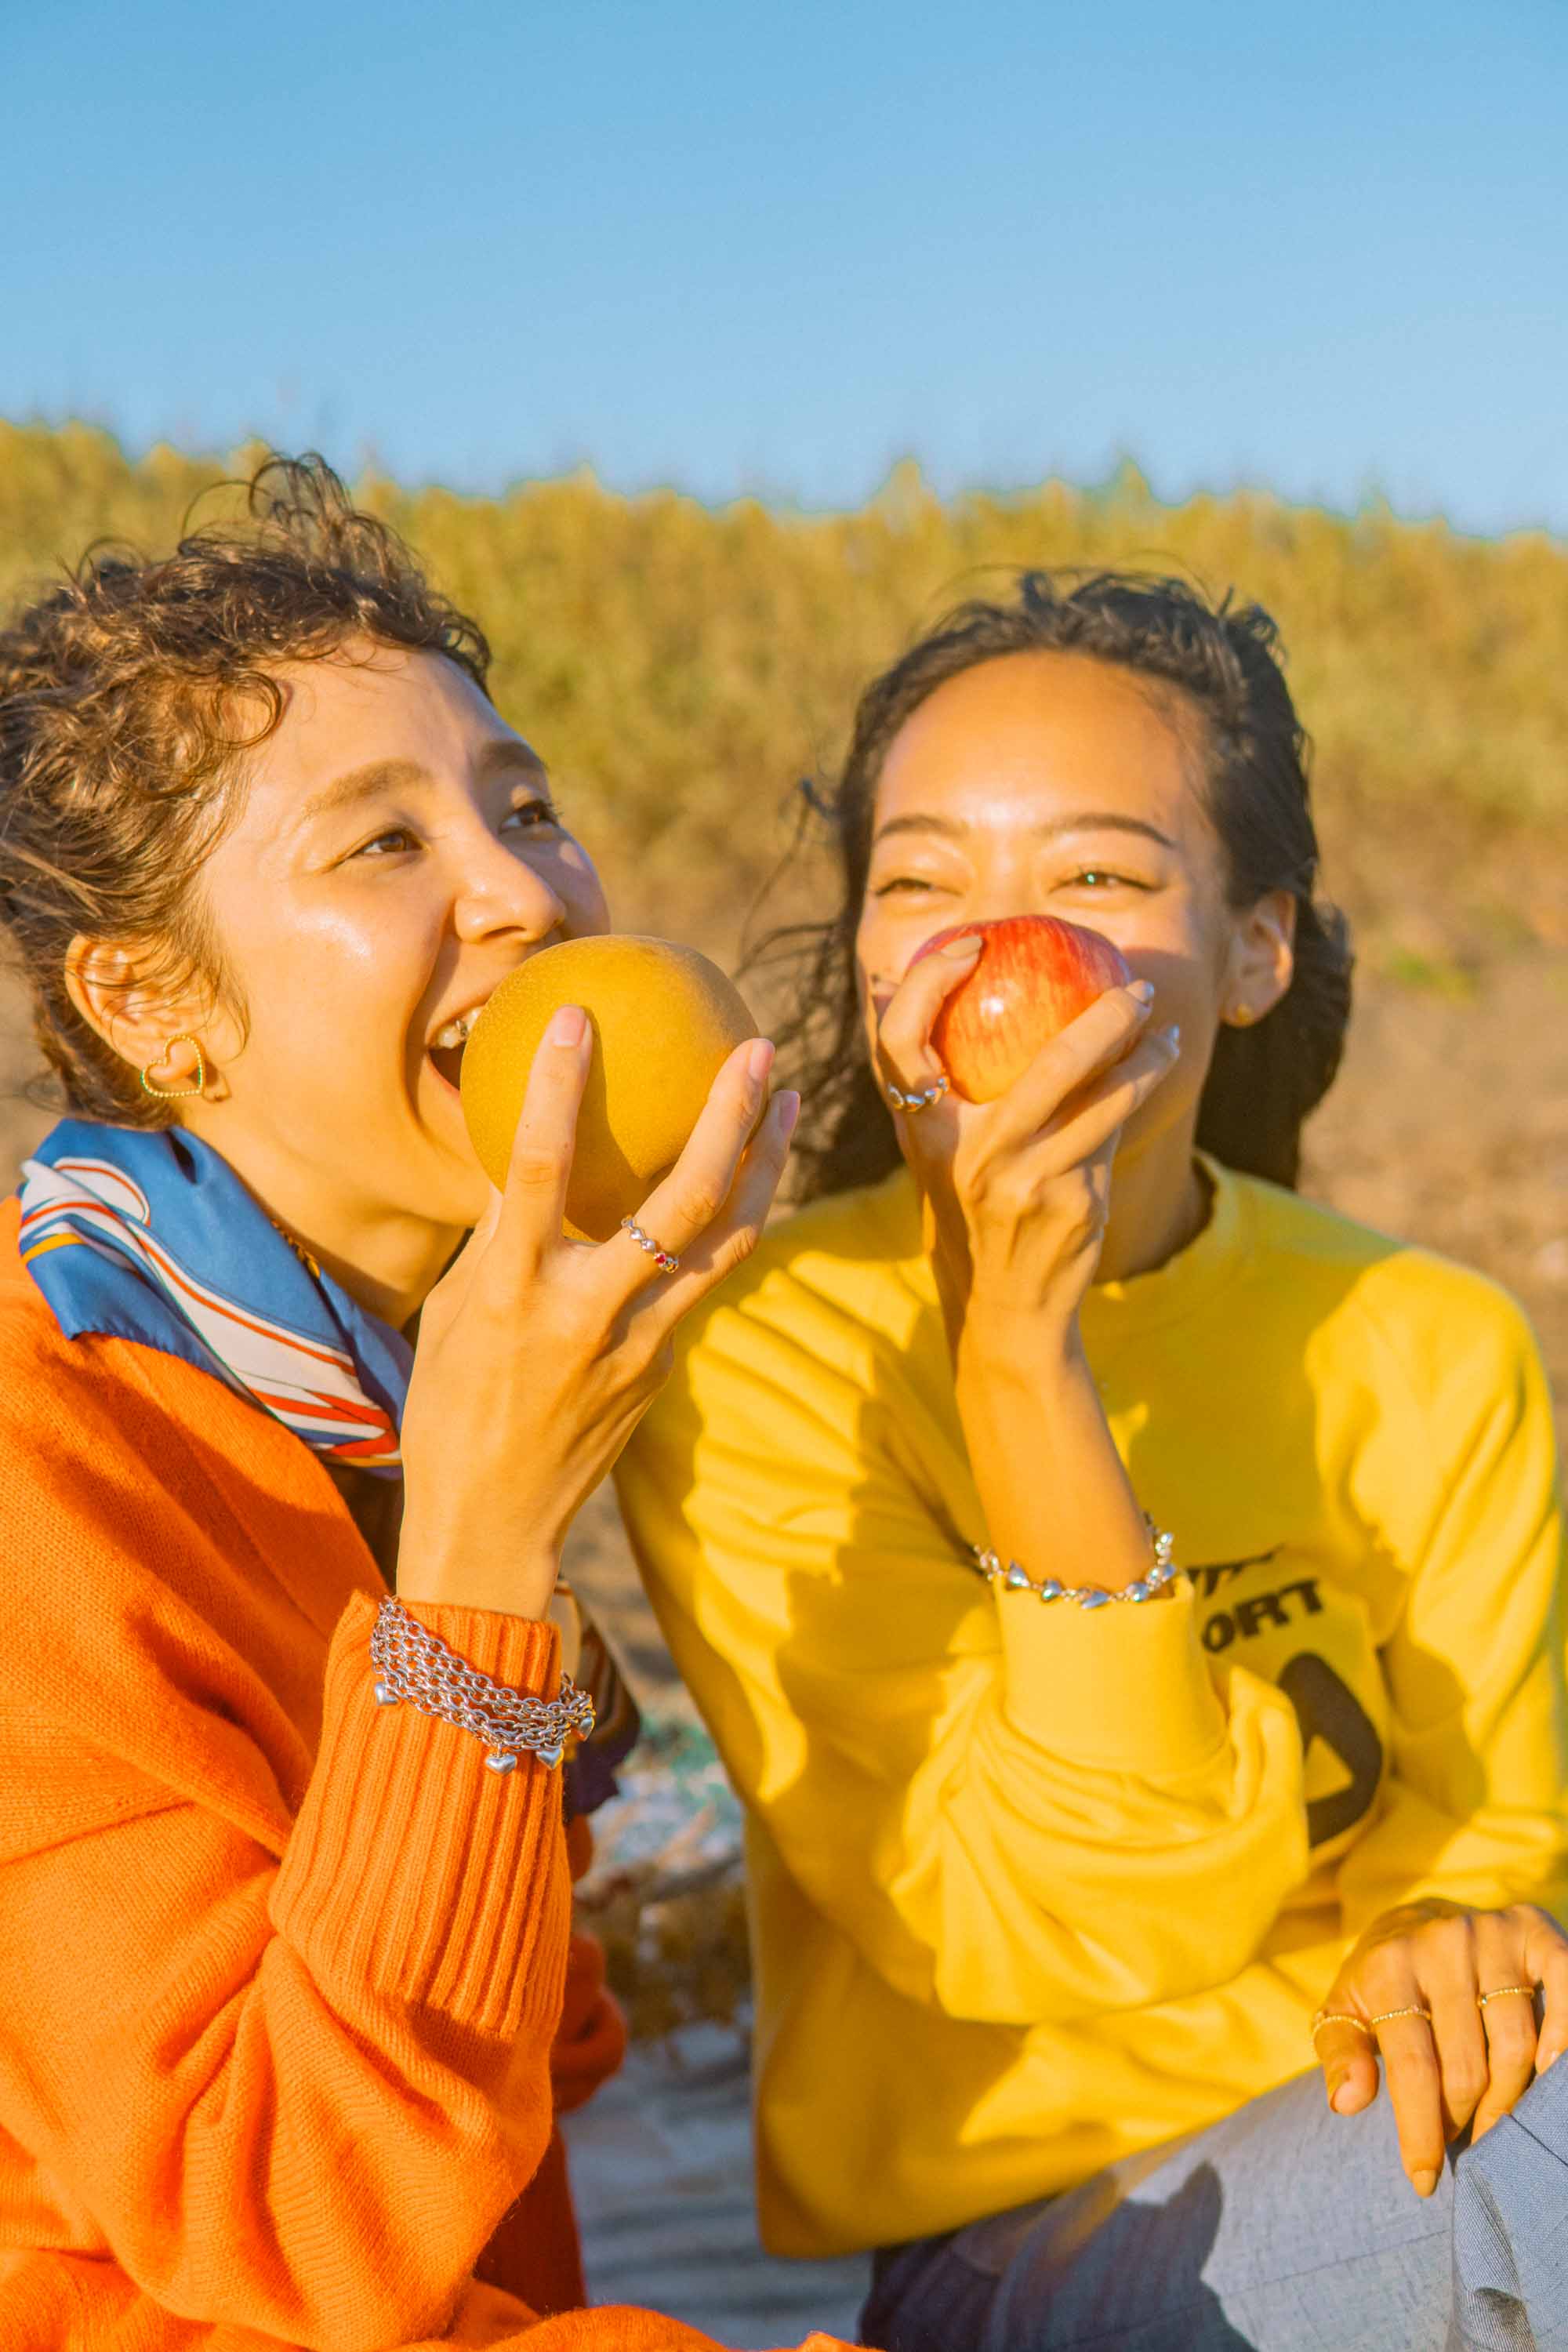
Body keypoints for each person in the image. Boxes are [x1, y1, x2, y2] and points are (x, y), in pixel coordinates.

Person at [615, 572, 1568, 2350]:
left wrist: (1453, 1929)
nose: (994, 944)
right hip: (1023, 2236)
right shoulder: (761, 1359)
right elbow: (1032, 1938)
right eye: (920, 883)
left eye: (1095, 877)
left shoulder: (1427, 1340)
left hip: (1393, 2128)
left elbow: (1486, 1829)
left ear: (1257, 945)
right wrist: (1016, 1360)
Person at [0, 456, 858, 2352]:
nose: (523, 891)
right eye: (382, 844)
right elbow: (286, 2225)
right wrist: (478, 1554)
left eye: (525, 804)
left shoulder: (378, 1379)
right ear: (151, 999)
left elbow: (537, 2063)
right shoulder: (45, 1465)